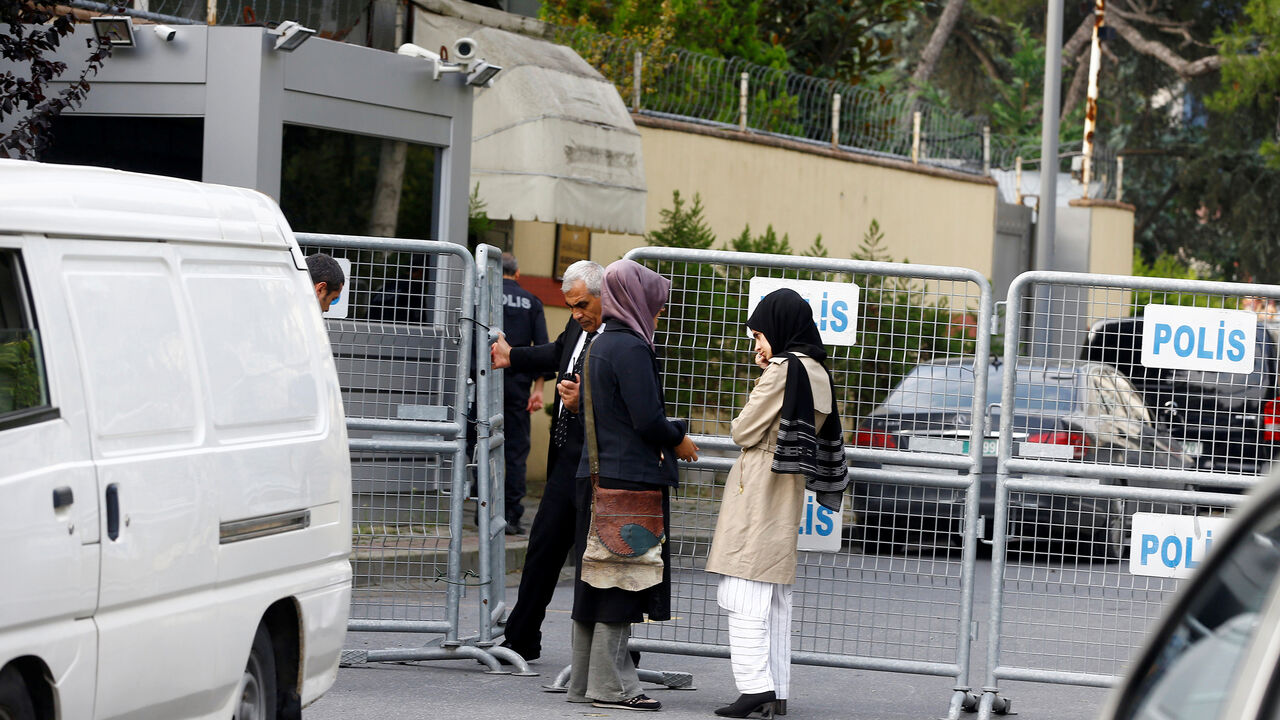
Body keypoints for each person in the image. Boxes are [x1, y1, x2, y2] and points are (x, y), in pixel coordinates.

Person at [704, 288, 848, 719]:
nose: (758, 347)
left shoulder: (784, 370)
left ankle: (754, 687)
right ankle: (775, 690)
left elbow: (743, 431)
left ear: (778, 328)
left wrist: (767, 373)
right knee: (773, 593)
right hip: (787, 483)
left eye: (759, 336)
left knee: (744, 585)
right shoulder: (817, 370)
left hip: (760, 482)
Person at [568, 259, 699, 712]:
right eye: (656, 306)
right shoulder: (631, 348)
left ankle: (585, 682)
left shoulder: (600, 344)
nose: (658, 314)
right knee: (623, 581)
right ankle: (615, 688)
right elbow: (646, 419)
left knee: (596, 581)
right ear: (637, 301)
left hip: (598, 476)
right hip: (629, 482)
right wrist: (678, 438)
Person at [489, 259, 605, 662]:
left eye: (582, 305)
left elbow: (628, 399)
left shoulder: (621, 335)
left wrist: (584, 402)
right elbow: (557, 353)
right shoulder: (577, 326)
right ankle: (521, 638)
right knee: (542, 548)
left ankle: (609, 650)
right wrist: (513, 357)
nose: (577, 314)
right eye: (571, 306)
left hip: (598, 466)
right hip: (565, 460)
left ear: (604, 295)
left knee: (597, 560)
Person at [499, 253, 549, 535]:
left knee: (480, 445)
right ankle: (511, 516)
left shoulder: (483, 296)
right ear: (517, 274)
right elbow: (542, 348)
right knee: (516, 452)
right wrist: (538, 389)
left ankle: (483, 509)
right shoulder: (532, 301)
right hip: (518, 384)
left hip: (483, 381)